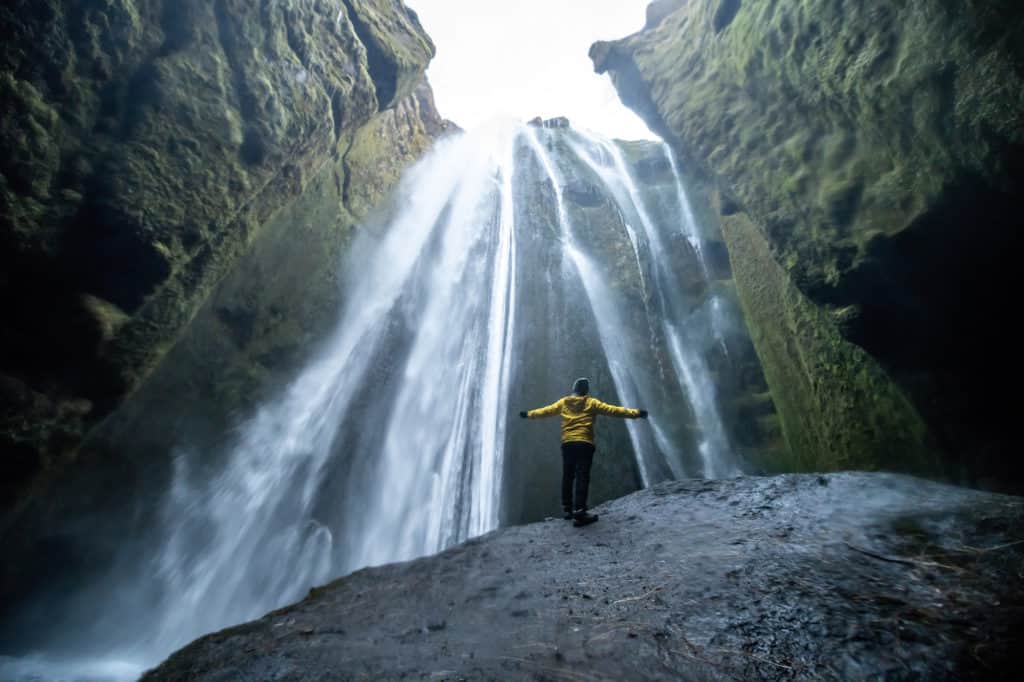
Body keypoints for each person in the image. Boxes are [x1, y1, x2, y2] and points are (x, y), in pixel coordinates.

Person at [519, 377, 648, 527]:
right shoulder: (592, 403)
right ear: (585, 391)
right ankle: (579, 511)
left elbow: (545, 411)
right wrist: (637, 413)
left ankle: (567, 509)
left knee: (568, 475)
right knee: (582, 476)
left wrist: (528, 414)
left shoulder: (563, 402)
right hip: (584, 443)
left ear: (573, 389)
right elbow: (615, 410)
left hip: (567, 443)